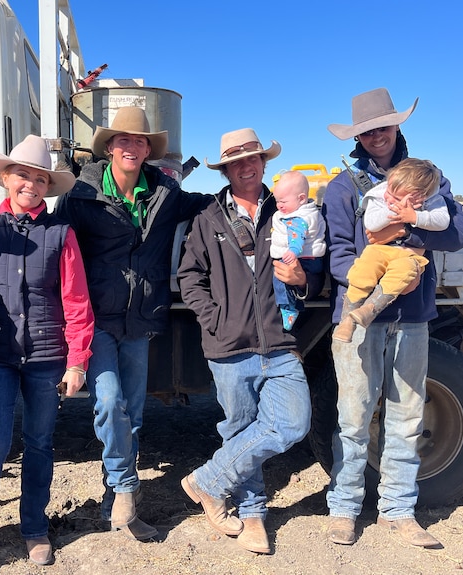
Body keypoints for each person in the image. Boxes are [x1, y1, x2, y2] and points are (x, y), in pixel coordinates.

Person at [321, 88, 463, 548]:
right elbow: (339, 256)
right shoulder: (343, 186)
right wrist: (388, 274)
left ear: (397, 126)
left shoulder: (428, 177)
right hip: (359, 316)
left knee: (406, 415)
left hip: (413, 318)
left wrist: (409, 229)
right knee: (353, 416)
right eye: (367, 130)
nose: (376, 136)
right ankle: (344, 508)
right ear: (358, 137)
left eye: (382, 126)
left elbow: (458, 232)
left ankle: (398, 511)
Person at [54, 106, 211, 540]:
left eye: (139, 141)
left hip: (141, 319)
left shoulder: (165, 192)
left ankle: (115, 497)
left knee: (133, 415)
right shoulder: (81, 196)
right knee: (108, 402)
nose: (131, 146)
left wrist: (260, 201)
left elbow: (207, 206)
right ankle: (126, 485)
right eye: (123, 139)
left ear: (148, 150)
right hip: (98, 318)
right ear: (108, 146)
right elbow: (56, 244)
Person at [177, 128, 322, 554]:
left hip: (278, 341)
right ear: (225, 169)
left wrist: (303, 280)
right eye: (236, 161)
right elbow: (190, 277)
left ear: (264, 163)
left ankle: (206, 481)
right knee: (240, 428)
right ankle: (253, 513)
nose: (246, 166)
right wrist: (214, 319)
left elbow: (316, 262)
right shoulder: (208, 218)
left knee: (293, 423)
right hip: (228, 344)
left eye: (253, 158)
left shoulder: (290, 212)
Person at [0, 135, 94, 574]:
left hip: (46, 359)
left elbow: (76, 301)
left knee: (39, 446)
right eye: (22, 175)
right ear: (6, 179)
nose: (30, 184)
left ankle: (35, 529)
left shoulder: (61, 233)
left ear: (46, 186)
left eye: (39, 178)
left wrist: (77, 361)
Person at [333, 158, 448, 342]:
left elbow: (444, 222)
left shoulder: (433, 196)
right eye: (389, 192)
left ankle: (369, 309)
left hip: (409, 255)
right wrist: (397, 213)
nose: (388, 198)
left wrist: (414, 217)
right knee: (364, 267)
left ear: (420, 197)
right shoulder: (380, 192)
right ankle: (347, 320)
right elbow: (371, 223)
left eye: (395, 197)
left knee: (405, 271)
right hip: (381, 251)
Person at [269, 170, 326, 330]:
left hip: (300, 257)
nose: (279, 205)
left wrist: (293, 251)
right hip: (313, 259)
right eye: (277, 201)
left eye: (283, 201)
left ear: (301, 198)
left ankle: (288, 308)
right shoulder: (310, 211)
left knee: (279, 280)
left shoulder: (297, 218)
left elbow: (297, 236)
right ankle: (293, 306)